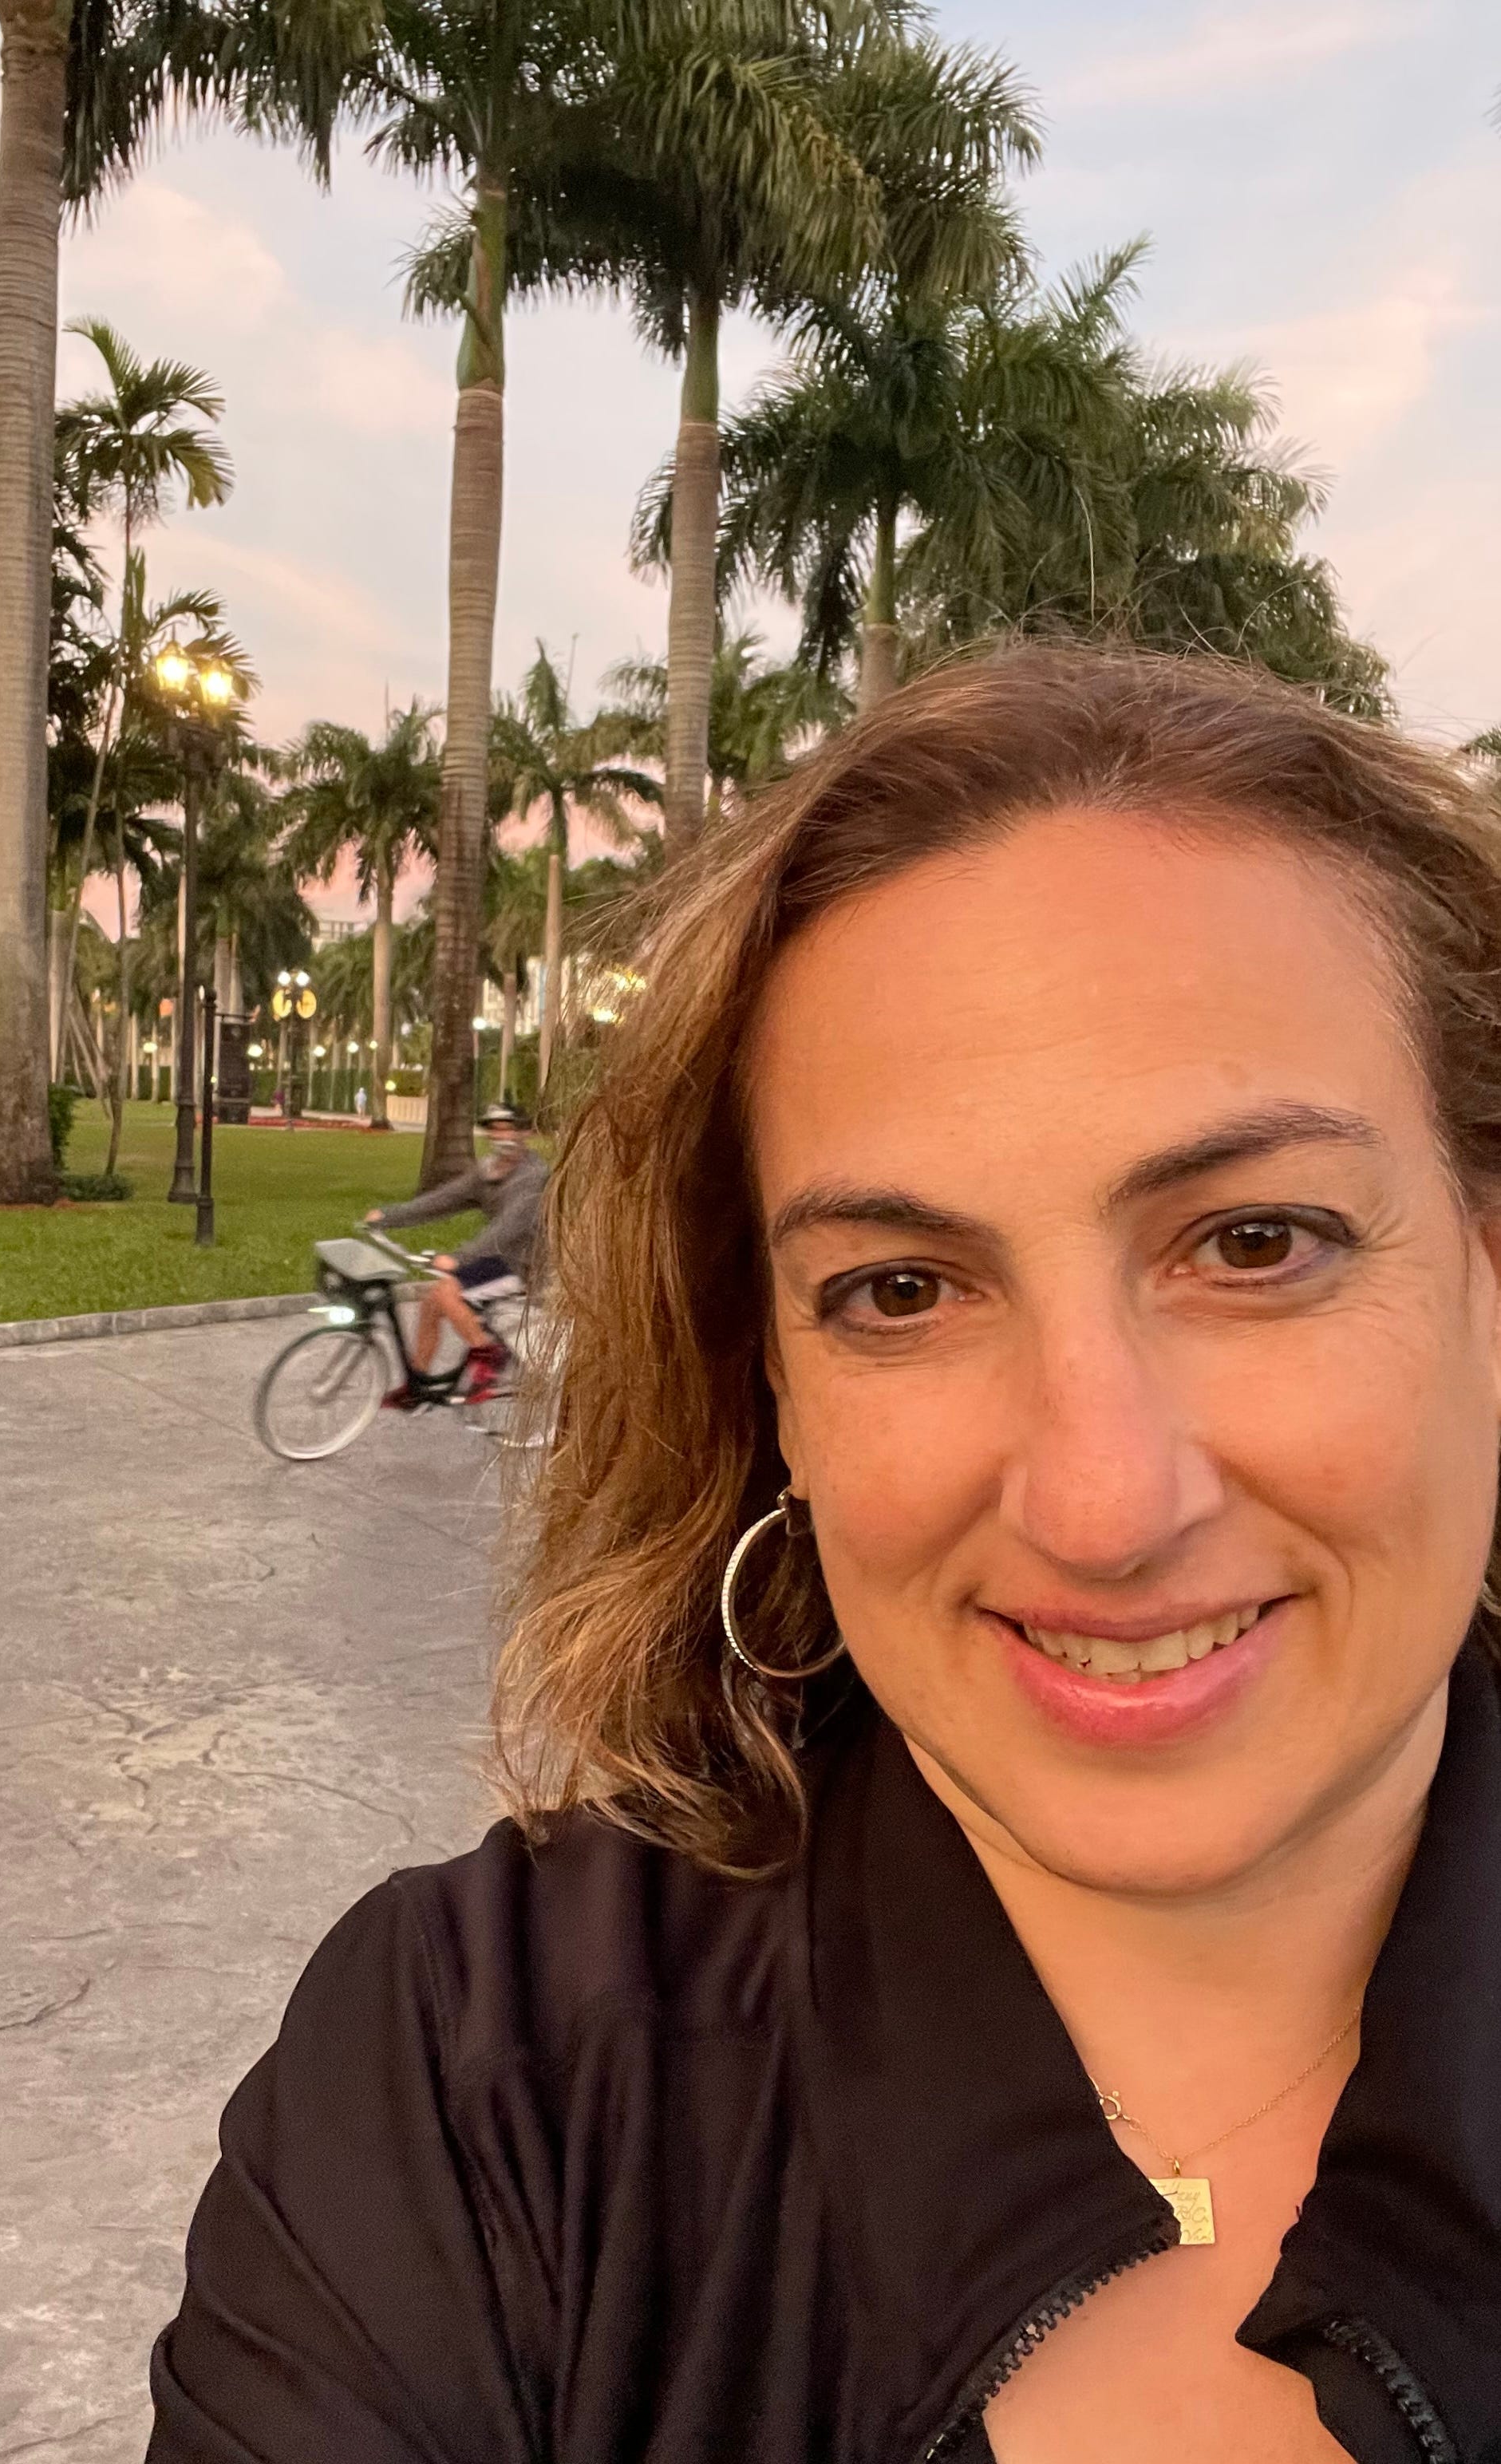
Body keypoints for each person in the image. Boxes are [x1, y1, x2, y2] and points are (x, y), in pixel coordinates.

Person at [145, 647, 1501, 2462]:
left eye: (1250, 1240)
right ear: (768, 1377)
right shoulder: (480, 2094)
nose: (1102, 1503)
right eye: (899, 1289)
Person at [365, 1104, 547, 1407]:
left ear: (524, 1132)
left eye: (507, 1128)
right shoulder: (489, 1170)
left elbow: (508, 1228)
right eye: (494, 1129)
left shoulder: (532, 1177)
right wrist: (388, 1216)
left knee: (448, 1291)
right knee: (431, 1303)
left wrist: (461, 1259)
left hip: (522, 1264)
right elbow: (442, 1200)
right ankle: (418, 1385)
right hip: (495, 1259)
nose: (500, 1135)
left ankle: (489, 1353)